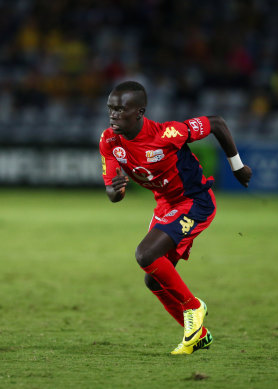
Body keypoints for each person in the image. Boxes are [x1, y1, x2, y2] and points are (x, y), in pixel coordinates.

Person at [99, 81, 252, 355]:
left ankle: (194, 306)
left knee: (145, 255)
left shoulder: (168, 133)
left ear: (139, 112)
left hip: (195, 202)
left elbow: (216, 123)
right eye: (110, 108)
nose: (113, 114)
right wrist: (113, 191)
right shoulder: (109, 140)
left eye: (120, 109)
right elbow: (113, 189)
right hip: (166, 205)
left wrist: (237, 168)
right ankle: (197, 334)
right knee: (154, 279)